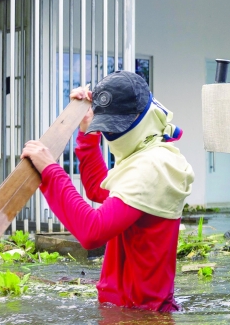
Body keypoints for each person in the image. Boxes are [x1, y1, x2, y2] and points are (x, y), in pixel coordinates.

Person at [20, 72, 195, 312]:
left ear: (140, 119)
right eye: (107, 129)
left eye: (115, 128)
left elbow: (93, 232)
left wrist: (51, 171)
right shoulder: (143, 153)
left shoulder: (154, 164)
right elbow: (98, 189)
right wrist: (87, 131)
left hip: (145, 317)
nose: (111, 136)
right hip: (123, 308)